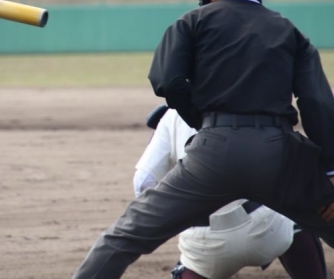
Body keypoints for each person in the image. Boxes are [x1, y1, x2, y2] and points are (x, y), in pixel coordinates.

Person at [72, 0, 334, 278]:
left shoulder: (192, 22)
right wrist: (329, 172)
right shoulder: (290, 32)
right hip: (279, 158)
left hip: (213, 155)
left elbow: (166, 81)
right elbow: (317, 103)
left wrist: (203, 120)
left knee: (123, 238)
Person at [135, 106, 327, 279]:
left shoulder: (172, 115)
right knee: (296, 217)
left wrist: (178, 215)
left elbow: (143, 182)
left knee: (190, 265)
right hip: (265, 228)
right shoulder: (251, 105)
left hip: (205, 242)